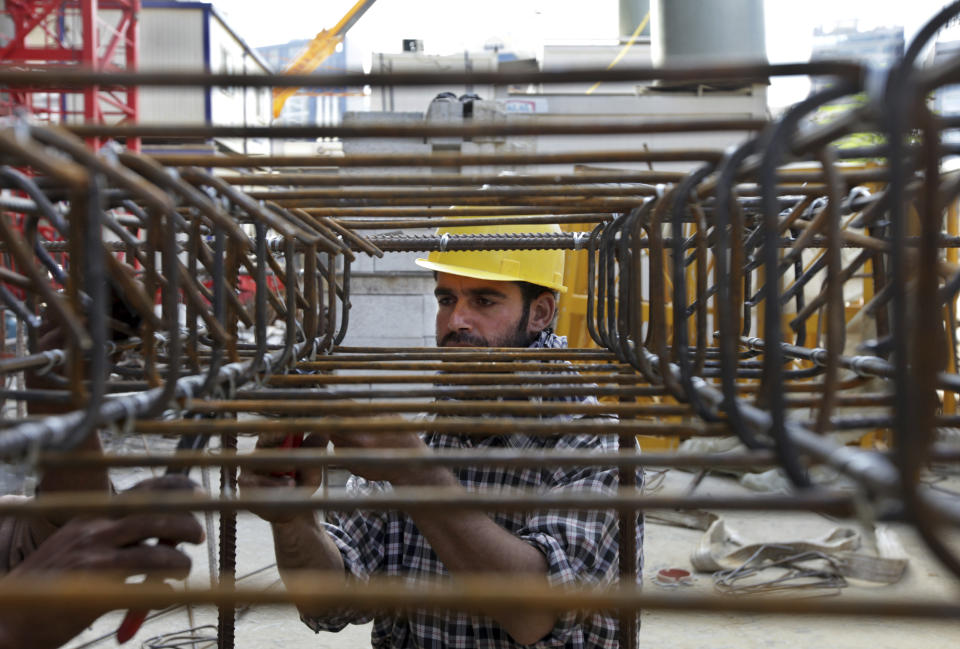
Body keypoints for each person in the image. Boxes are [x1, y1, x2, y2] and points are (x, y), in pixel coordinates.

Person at [242, 222, 643, 648]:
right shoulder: (429, 428)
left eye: (484, 300)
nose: (456, 321)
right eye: (446, 299)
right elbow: (333, 603)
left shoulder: (595, 441)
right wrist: (293, 520)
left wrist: (415, 471)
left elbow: (534, 614)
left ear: (540, 313)